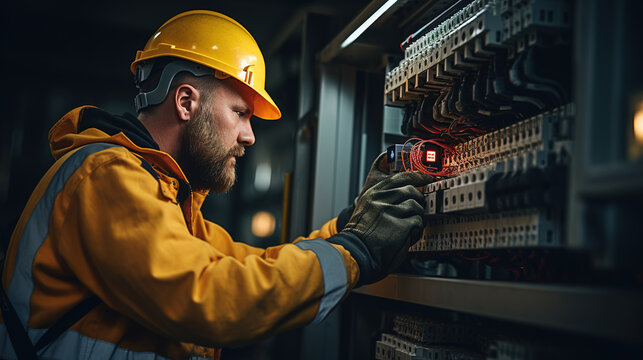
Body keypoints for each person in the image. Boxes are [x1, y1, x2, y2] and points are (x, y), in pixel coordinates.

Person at [0, 10, 431, 360]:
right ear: (186, 102)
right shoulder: (104, 176)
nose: (249, 136)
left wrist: (350, 229)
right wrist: (358, 249)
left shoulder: (168, 200)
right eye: (241, 112)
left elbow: (255, 266)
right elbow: (209, 296)